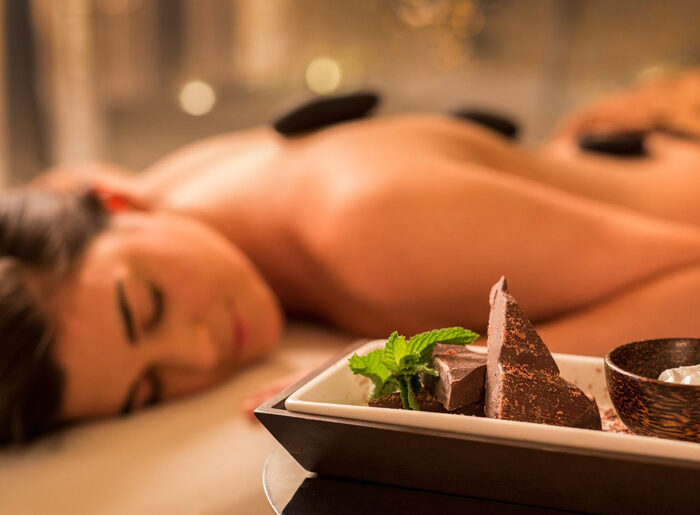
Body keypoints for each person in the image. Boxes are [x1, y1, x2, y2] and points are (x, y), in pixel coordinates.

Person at [3, 70, 700, 445]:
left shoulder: (368, 226)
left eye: (148, 306)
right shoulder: (169, 191)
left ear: (113, 204)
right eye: (151, 386)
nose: (199, 350)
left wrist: (434, 372)